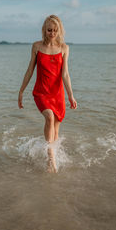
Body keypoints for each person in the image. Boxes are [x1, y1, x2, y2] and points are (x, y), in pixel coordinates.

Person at [18, 15, 77, 173]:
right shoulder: (37, 46)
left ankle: (52, 155)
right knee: (49, 118)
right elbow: (30, 69)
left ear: (59, 31)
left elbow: (65, 74)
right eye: (49, 30)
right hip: (41, 92)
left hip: (57, 94)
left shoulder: (64, 48)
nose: (52, 33)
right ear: (44, 30)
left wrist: (71, 95)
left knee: (56, 132)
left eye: (55, 30)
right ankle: (51, 159)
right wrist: (21, 91)